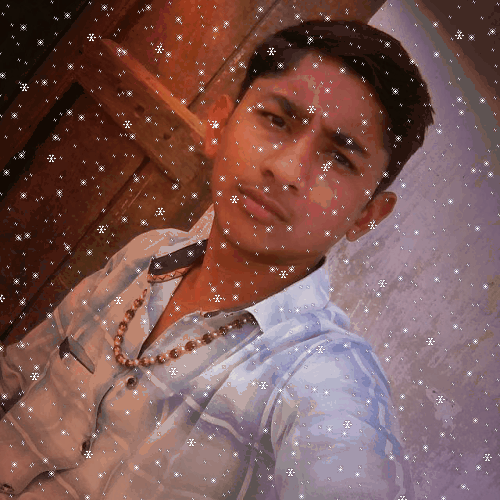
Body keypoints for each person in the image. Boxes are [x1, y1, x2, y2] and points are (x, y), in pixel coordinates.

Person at [0, 19, 434, 499]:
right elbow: (19, 371)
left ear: (367, 214)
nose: (287, 169)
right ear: (218, 125)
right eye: (277, 120)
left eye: (340, 159)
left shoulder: (325, 380)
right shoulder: (148, 254)